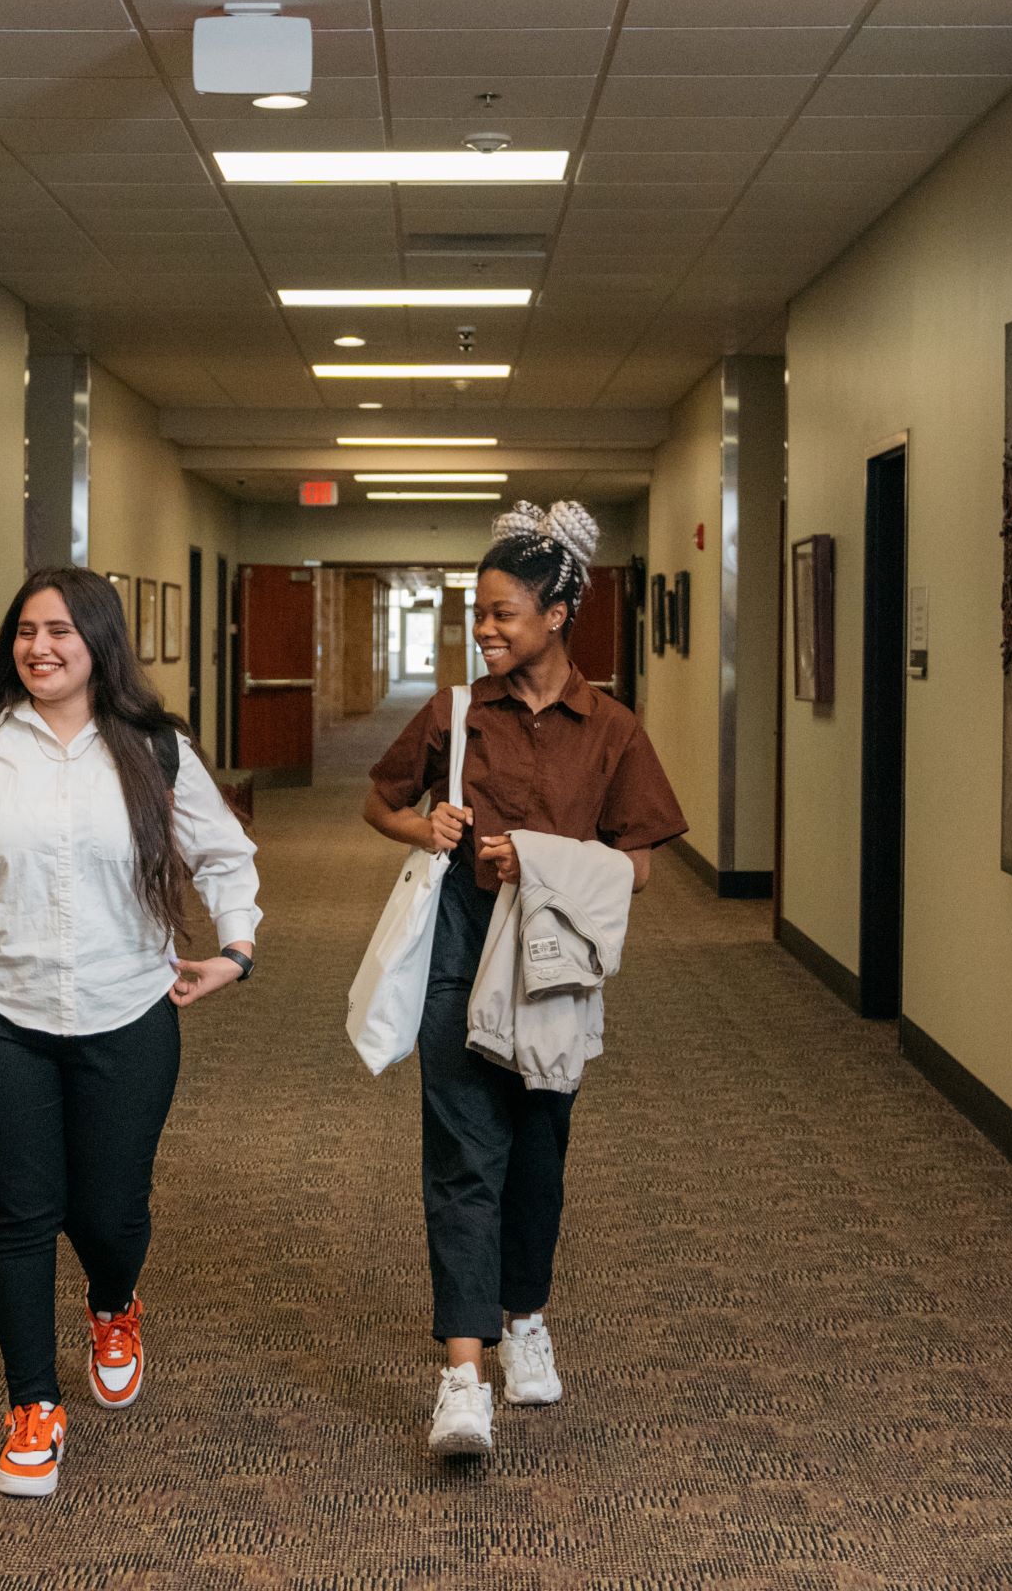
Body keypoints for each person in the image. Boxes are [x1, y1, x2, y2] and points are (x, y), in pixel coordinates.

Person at [0, 567, 263, 1499]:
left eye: (60, 631)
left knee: (107, 1210)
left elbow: (224, 853)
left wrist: (238, 947)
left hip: (128, 1007)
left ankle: (112, 1303)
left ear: (99, 642)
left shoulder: (155, 748)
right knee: (18, 1214)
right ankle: (32, 1406)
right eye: (25, 631)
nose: (39, 648)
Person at [360, 502, 685, 1462]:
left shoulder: (612, 730)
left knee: (538, 1158)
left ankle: (525, 1316)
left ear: (557, 614)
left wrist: (541, 859)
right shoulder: (454, 714)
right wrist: (427, 831)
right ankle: (463, 1377)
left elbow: (642, 864)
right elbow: (380, 801)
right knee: (463, 1161)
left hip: (554, 968)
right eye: (478, 613)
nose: (486, 629)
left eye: (504, 612)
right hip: (461, 952)